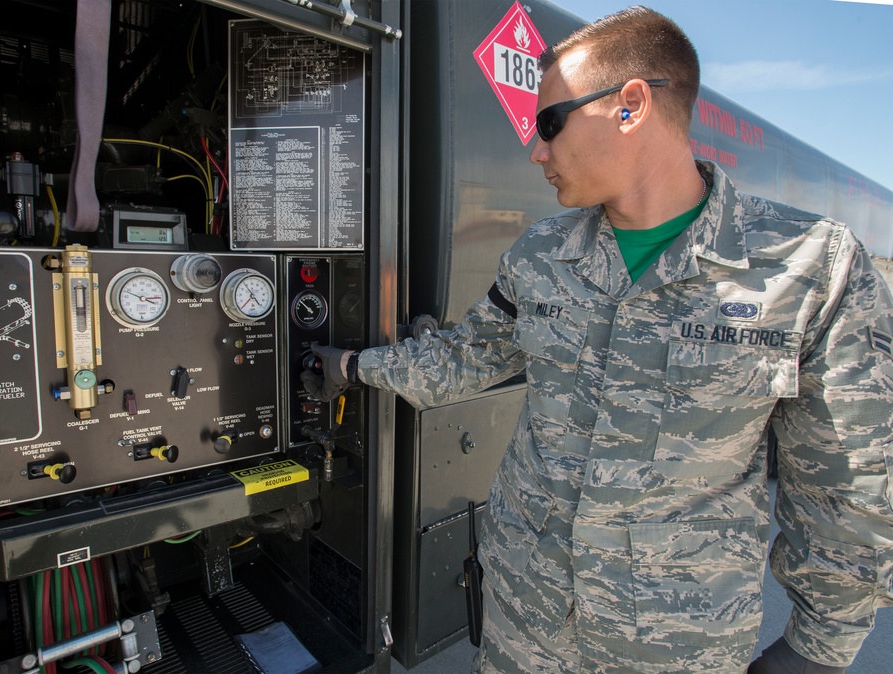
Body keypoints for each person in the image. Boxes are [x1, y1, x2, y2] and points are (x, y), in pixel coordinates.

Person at [301, 6, 893, 673]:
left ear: (629, 105)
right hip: (523, 620)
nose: (534, 149)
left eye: (549, 122)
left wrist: (817, 649)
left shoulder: (810, 267)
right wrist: (354, 367)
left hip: (671, 645)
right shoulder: (541, 253)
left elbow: (849, 480)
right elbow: (466, 358)